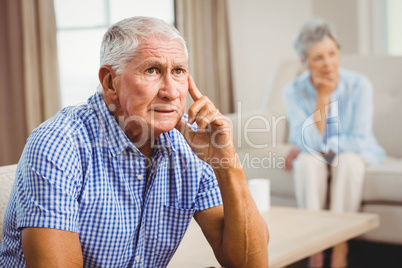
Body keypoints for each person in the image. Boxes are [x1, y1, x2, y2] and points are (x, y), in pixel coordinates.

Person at [0, 16, 268, 267]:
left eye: (178, 71)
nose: (172, 91)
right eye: (152, 70)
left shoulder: (189, 145)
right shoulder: (59, 143)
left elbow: (251, 264)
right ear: (110, 82)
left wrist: (226, 162)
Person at [283, 18, 385, 268]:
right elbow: (308, 142)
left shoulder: (359, 84)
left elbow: (358, 140)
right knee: (306, 163)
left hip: (356, 153)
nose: (328, 63)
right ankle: (315, 249)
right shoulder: (293, 91)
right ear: (304, 62)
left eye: (332, 53)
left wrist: (318, 145)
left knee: (348, 162)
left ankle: (340, 245)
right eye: (318, 58)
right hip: (320, 153)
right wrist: (323, 97)